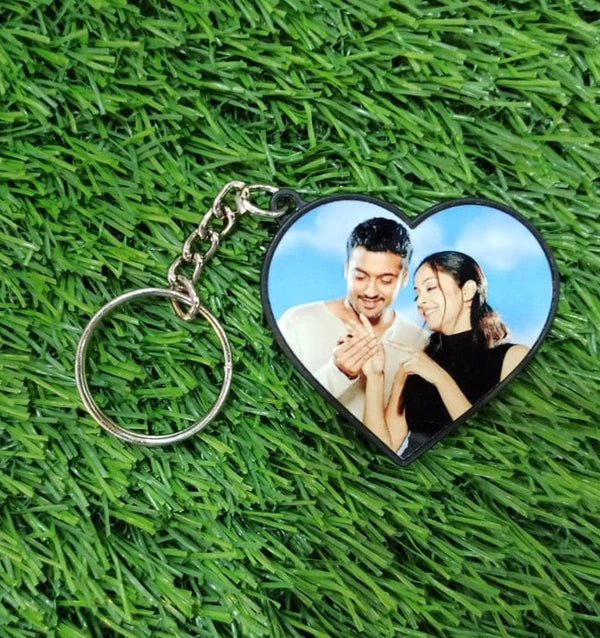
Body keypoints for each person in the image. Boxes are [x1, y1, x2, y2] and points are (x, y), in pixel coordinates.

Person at [360, 251, 529, 456]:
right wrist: (375, 376)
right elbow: (382, 449)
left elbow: (495, 447)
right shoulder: (414, 365)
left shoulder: (512, 358)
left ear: (467, 291)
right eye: (417, 294)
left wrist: (439, 378)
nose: (420, 301)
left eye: (431, 288)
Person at [277, 217, 427, 421]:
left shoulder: (420, 342)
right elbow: (281, 408)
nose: (370, 291)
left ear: (405, 277)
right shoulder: (297, 322)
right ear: (347, 269)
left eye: (385, 280)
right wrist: (338, 372)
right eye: (360, 277)